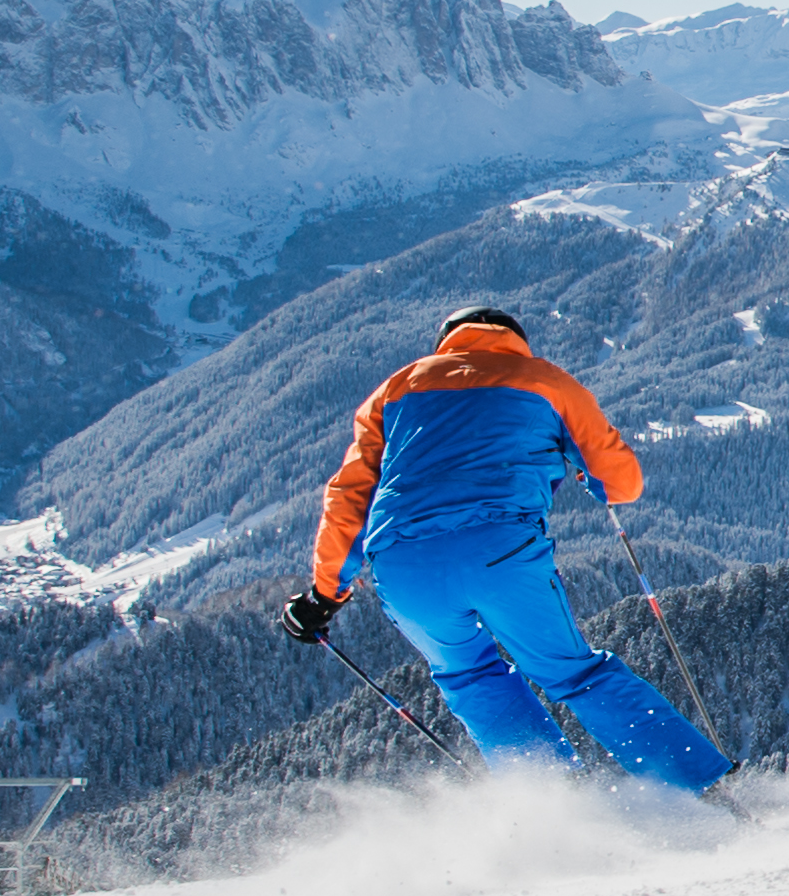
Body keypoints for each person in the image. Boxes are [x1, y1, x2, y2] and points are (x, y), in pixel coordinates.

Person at [280, 306, 731, 793]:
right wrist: (585, 472)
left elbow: (348, 498)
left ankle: (556, 808)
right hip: (499, 553)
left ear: (446, 342)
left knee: (470, 676)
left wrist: (325, 595)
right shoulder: (546, 381)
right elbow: (623, 482)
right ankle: (702, 791)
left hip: (403, 567)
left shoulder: (394, 390)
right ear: (515, 340)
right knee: (573, 673)